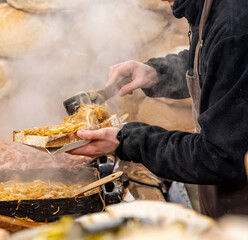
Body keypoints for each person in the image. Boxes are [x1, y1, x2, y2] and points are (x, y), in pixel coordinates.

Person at [69, 0, 248, 218]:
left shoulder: (234, 28)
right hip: (222, 195)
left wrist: (126, 140)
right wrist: (156, 73)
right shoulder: (212, 10)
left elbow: (218, 157)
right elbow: (214, 67)